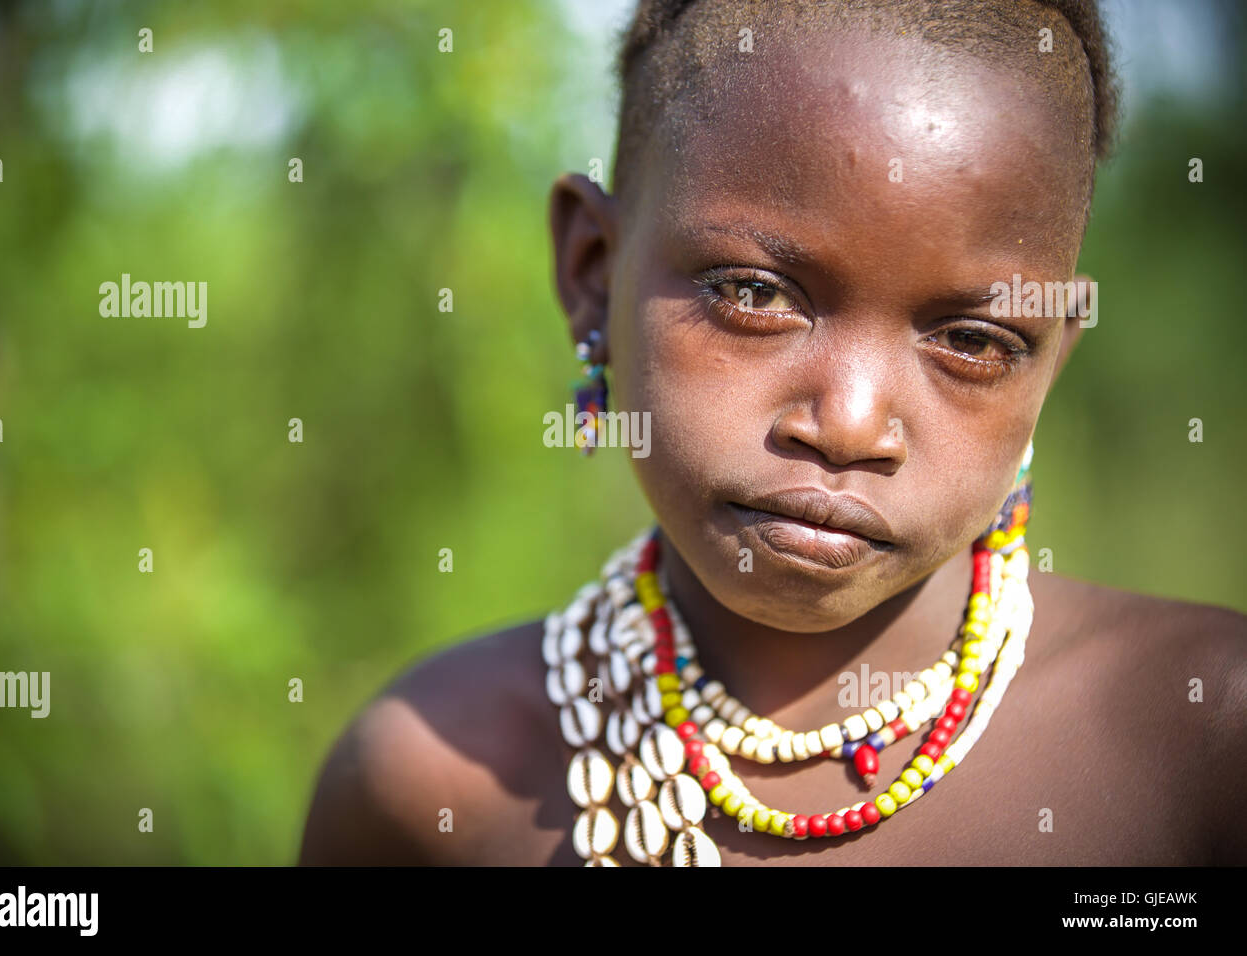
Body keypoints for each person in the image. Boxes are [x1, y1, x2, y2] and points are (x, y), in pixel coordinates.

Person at [299, 0, 1247, 866]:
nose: (850, 424)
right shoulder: (433, 781)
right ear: (594, 271)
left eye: (973, 340)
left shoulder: (1201, 741)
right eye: (754, 293)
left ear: (1051, 357)